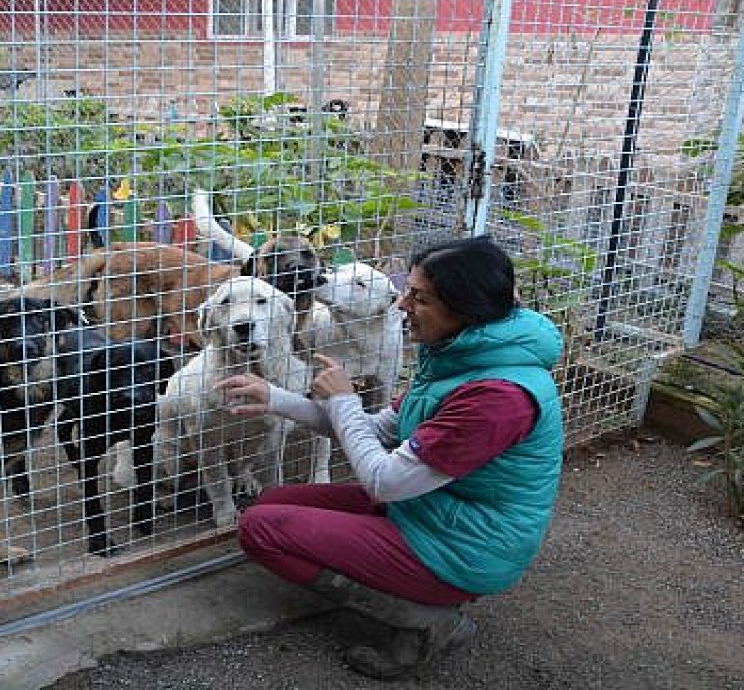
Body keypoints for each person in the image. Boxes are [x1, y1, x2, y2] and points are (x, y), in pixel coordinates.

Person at [215, 235, 564, 679]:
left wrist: (343, 401)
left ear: (465, 309)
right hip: (433, 510)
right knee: (270, 503)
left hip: (465, 547)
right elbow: (378, 430)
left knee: (259, 529)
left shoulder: (497, 397)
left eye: (418, 298)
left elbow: (385, 481)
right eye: (407, 291)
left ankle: (428, 619)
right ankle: (415, 589)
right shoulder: (460, 357)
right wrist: (276, 398)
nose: (400, 305)